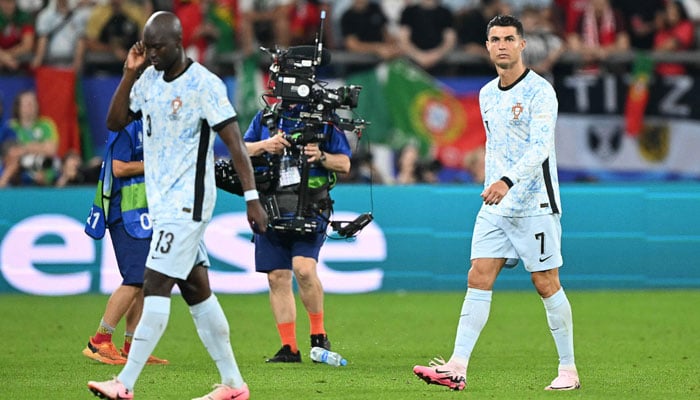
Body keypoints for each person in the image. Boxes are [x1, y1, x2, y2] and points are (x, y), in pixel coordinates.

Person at [87, 10, 268, 400]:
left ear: (178, 43)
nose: (151, 54)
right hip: (163, 204)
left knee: (153, 283)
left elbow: (235, 144)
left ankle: (125, 383)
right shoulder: (147, 79)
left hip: (190, 203)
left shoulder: (204, 84)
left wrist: (252, 199)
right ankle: (234, 385)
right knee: (197, 290)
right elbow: (116, 122)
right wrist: (128, 73)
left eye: (158, 47)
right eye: (147, 47)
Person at [412, 14, 579, 392]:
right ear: (487, 46)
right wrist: (493, 182)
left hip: (534, 202)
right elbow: (496, 146)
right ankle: (457, 366)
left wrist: (507, 180)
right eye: (494, 39)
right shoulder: (486, 94)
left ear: (522, 44)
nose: (501, 45)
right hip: (496, 204)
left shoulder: (540, 91)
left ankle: (568, 370)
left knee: (545, 282)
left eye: (508, 38)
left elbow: (540, 147)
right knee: (478, 275)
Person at [243, 100, 352, 362]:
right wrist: (264, 146)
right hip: (270, 204)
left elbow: (345, 163)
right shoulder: (265, 117)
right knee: (276, 277)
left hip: (311, 206)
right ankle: (289, 347)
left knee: (303, 269)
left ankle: (318, 335)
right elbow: (241, 149)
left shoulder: (324, 118)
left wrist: (321, 156)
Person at [81, 119, 168, 366]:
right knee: (134, 279)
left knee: (144, 282)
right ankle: (99, 340)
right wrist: (152, 165)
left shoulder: (151, 124)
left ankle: (132, 347)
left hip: (143, 212)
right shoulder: (126, 126)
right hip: (124, 212)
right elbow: (118, 168)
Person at [0, 90, 60, 187]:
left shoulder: (46, 124)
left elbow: (51, 150)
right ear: (18, 107)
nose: (31, 106)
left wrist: (24, 148)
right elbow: (11, 153)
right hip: (20, 173)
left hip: (46, 169)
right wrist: (39, 147)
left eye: (33, 102)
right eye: (27, 103)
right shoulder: (11, 127)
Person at [0, 0, 35, 72]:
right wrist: (4, 58)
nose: (7, 5)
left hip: (17, 55)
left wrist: (6, 57)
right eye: (4, 2)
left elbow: (27, 45)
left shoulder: (25, 17)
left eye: (10, 2)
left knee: (29, 58)